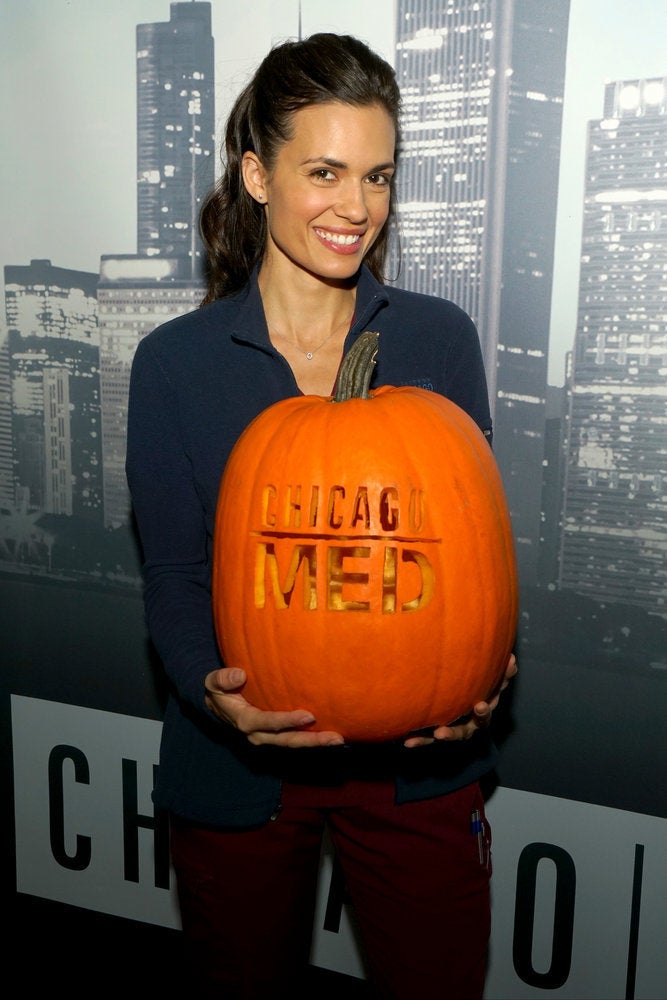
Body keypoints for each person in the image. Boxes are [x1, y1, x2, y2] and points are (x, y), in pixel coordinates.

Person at [126, 31, 517, 999]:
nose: (358, 207)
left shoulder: (438, 338)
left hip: (419, 770)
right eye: (326, 171)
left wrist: (487, 673)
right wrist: (203, 687)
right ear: (257, 175)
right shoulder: (175, 363)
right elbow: (174, 575)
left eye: (378, 176)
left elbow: (467, 552)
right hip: (238, 768)